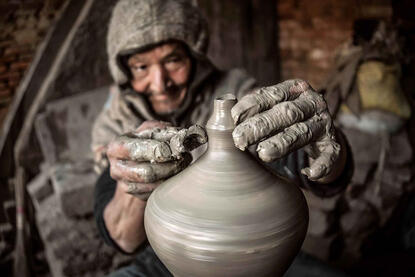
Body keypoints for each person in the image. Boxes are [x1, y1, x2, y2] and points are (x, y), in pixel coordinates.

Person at [92, 0, 352, 276]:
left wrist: (325, 143)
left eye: (173, 60)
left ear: (194, 55)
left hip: (255, 249)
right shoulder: (116, 120)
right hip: (166, 258)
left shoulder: (239, 92)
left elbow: (322, 170)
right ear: (125, 70)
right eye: (141, 67)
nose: (160, 84)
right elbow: (123, 239)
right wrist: (137, 179)